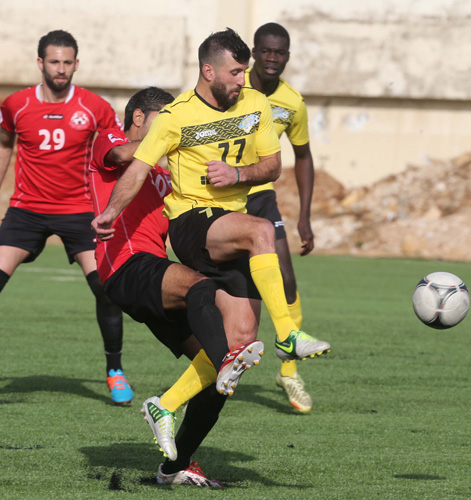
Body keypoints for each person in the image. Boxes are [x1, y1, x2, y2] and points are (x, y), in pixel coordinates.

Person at [92, 28, 329, 391]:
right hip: (193, 221)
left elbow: (273, 167)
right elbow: (136, 165)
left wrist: (238, 172)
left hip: (235, 211)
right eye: (235, 72)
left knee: (240, 343)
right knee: (261, 231)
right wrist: (110, 211)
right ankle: (289, 336)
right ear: (208, 71)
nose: (243, 78)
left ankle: (163, 407)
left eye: (243, 70)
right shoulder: (175, 116)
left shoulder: (259, 103)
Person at [90, 86, 263, 486]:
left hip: (157, 273)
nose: (174, 128)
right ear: (139, 118)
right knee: (203, 293)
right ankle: (183, 393)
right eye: (165, 120)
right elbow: (119, 156)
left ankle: (175, 467)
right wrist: (175, 135)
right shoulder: (112, 139)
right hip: (126, 267)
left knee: (214, 377)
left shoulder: (167, 173)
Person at [0, 30, 130, 405]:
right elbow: (5, 143)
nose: (61, 69)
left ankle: (114, 371)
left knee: (105, 289)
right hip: (26, 210)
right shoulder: (15, 105)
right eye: (54, 61)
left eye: (67, 62)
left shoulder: (95, 107)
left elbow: (116, 155)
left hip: (79, 213)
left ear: (76, 63)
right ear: (40, 63)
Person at [245, 22, 328, 413]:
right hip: (220, 197)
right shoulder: (233, 86)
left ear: (287, 56)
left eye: (280, 52)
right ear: (254, 52)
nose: (272, 58)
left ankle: (289, 372)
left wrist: (305, 217)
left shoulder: (292, 102)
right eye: (266, 51)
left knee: (287, 280)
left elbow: (304, 156)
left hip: (261, 197)